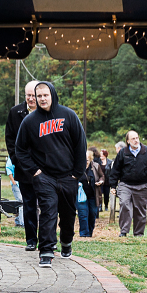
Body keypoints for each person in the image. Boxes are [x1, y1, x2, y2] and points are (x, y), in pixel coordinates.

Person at [14, 81, 87, 268]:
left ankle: (66, 242)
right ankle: (46, 251)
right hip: (44, 177)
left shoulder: (69, 116)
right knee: (48, 211)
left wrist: (76, 174)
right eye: (39, 96)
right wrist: (35, 172)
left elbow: (81, 145)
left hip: (68, 176)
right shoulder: (29, 121)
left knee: (68, 214)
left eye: (45, 95)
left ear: (52, 95)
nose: (42, 99)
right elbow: (20, 149)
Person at [5, 81, 40, 251]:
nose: (31, 98)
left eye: (34, 95)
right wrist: (17, 160)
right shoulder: (15, 112)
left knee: (48, 205)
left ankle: (48, 239)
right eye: (28, 95)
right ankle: (31, 240)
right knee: (29, 204)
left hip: (45, 168)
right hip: (24, 167)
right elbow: (10, 140)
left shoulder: (46, 111)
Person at [109, 130, 147, 238]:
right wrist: (113, 185)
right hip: (125, 185)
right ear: (128, 141)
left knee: (140, 210)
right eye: (133, 139)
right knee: (124, 205)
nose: (136, 140)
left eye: (137, 138)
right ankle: (124, 231)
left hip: (142, 185)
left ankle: (138, 234)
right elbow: (115, 169)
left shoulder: (146, 151)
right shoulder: (123, 152)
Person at [77, 149, 104, 237]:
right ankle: (84, 233)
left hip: (93, 195)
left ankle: (89, 233)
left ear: (91, 159)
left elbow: (102, 176)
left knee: (92, 214)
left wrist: (100, 181)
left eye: (87, 160)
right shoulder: (77, 167)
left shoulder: (96, 166)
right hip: (81, 195)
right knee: (83, 214)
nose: (85, 162)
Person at [5, 156, 23, 227]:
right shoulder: (12, 157)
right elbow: (8, 169)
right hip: (16, 183)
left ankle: (19, 221)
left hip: (23, 182)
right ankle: (21, 223)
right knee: (20, 201)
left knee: (22, 203)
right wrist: (13, 181)